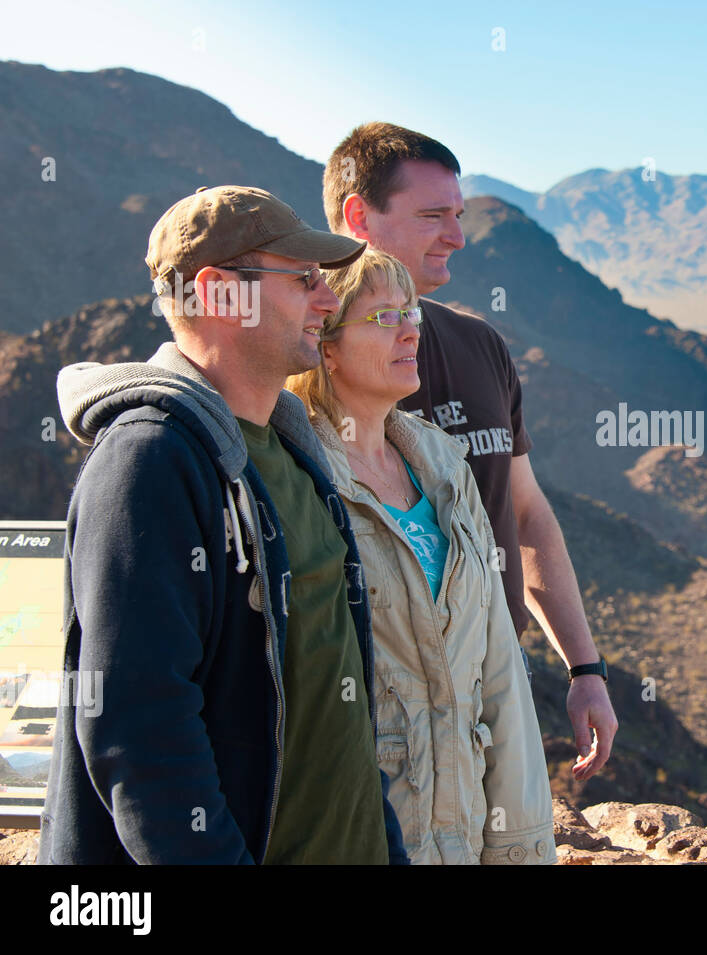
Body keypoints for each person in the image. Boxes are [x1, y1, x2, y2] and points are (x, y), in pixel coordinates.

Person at [39, 185, 408, 864]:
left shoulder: (292, 452)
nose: (326, 301)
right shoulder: (151, 460)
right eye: (302, 279)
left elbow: (334, 703)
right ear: (216, 292)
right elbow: (141, 732)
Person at [322, 123, 617, 781]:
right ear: (357, 216)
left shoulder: (480, 345)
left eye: (458, 215)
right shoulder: (311, 356)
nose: (457, 235)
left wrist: (584, 667)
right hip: (377, 707)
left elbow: (527, 512)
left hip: (495, 683)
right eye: (433, 216)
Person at [286, 248, 556, 864]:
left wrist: (517, 848)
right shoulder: (297, 478)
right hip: (357, 838)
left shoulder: (443, 468)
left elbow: (499, 673)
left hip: (461, 833)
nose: (412, 329)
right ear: (325, 345)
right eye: (385, 317)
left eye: (411, 312)